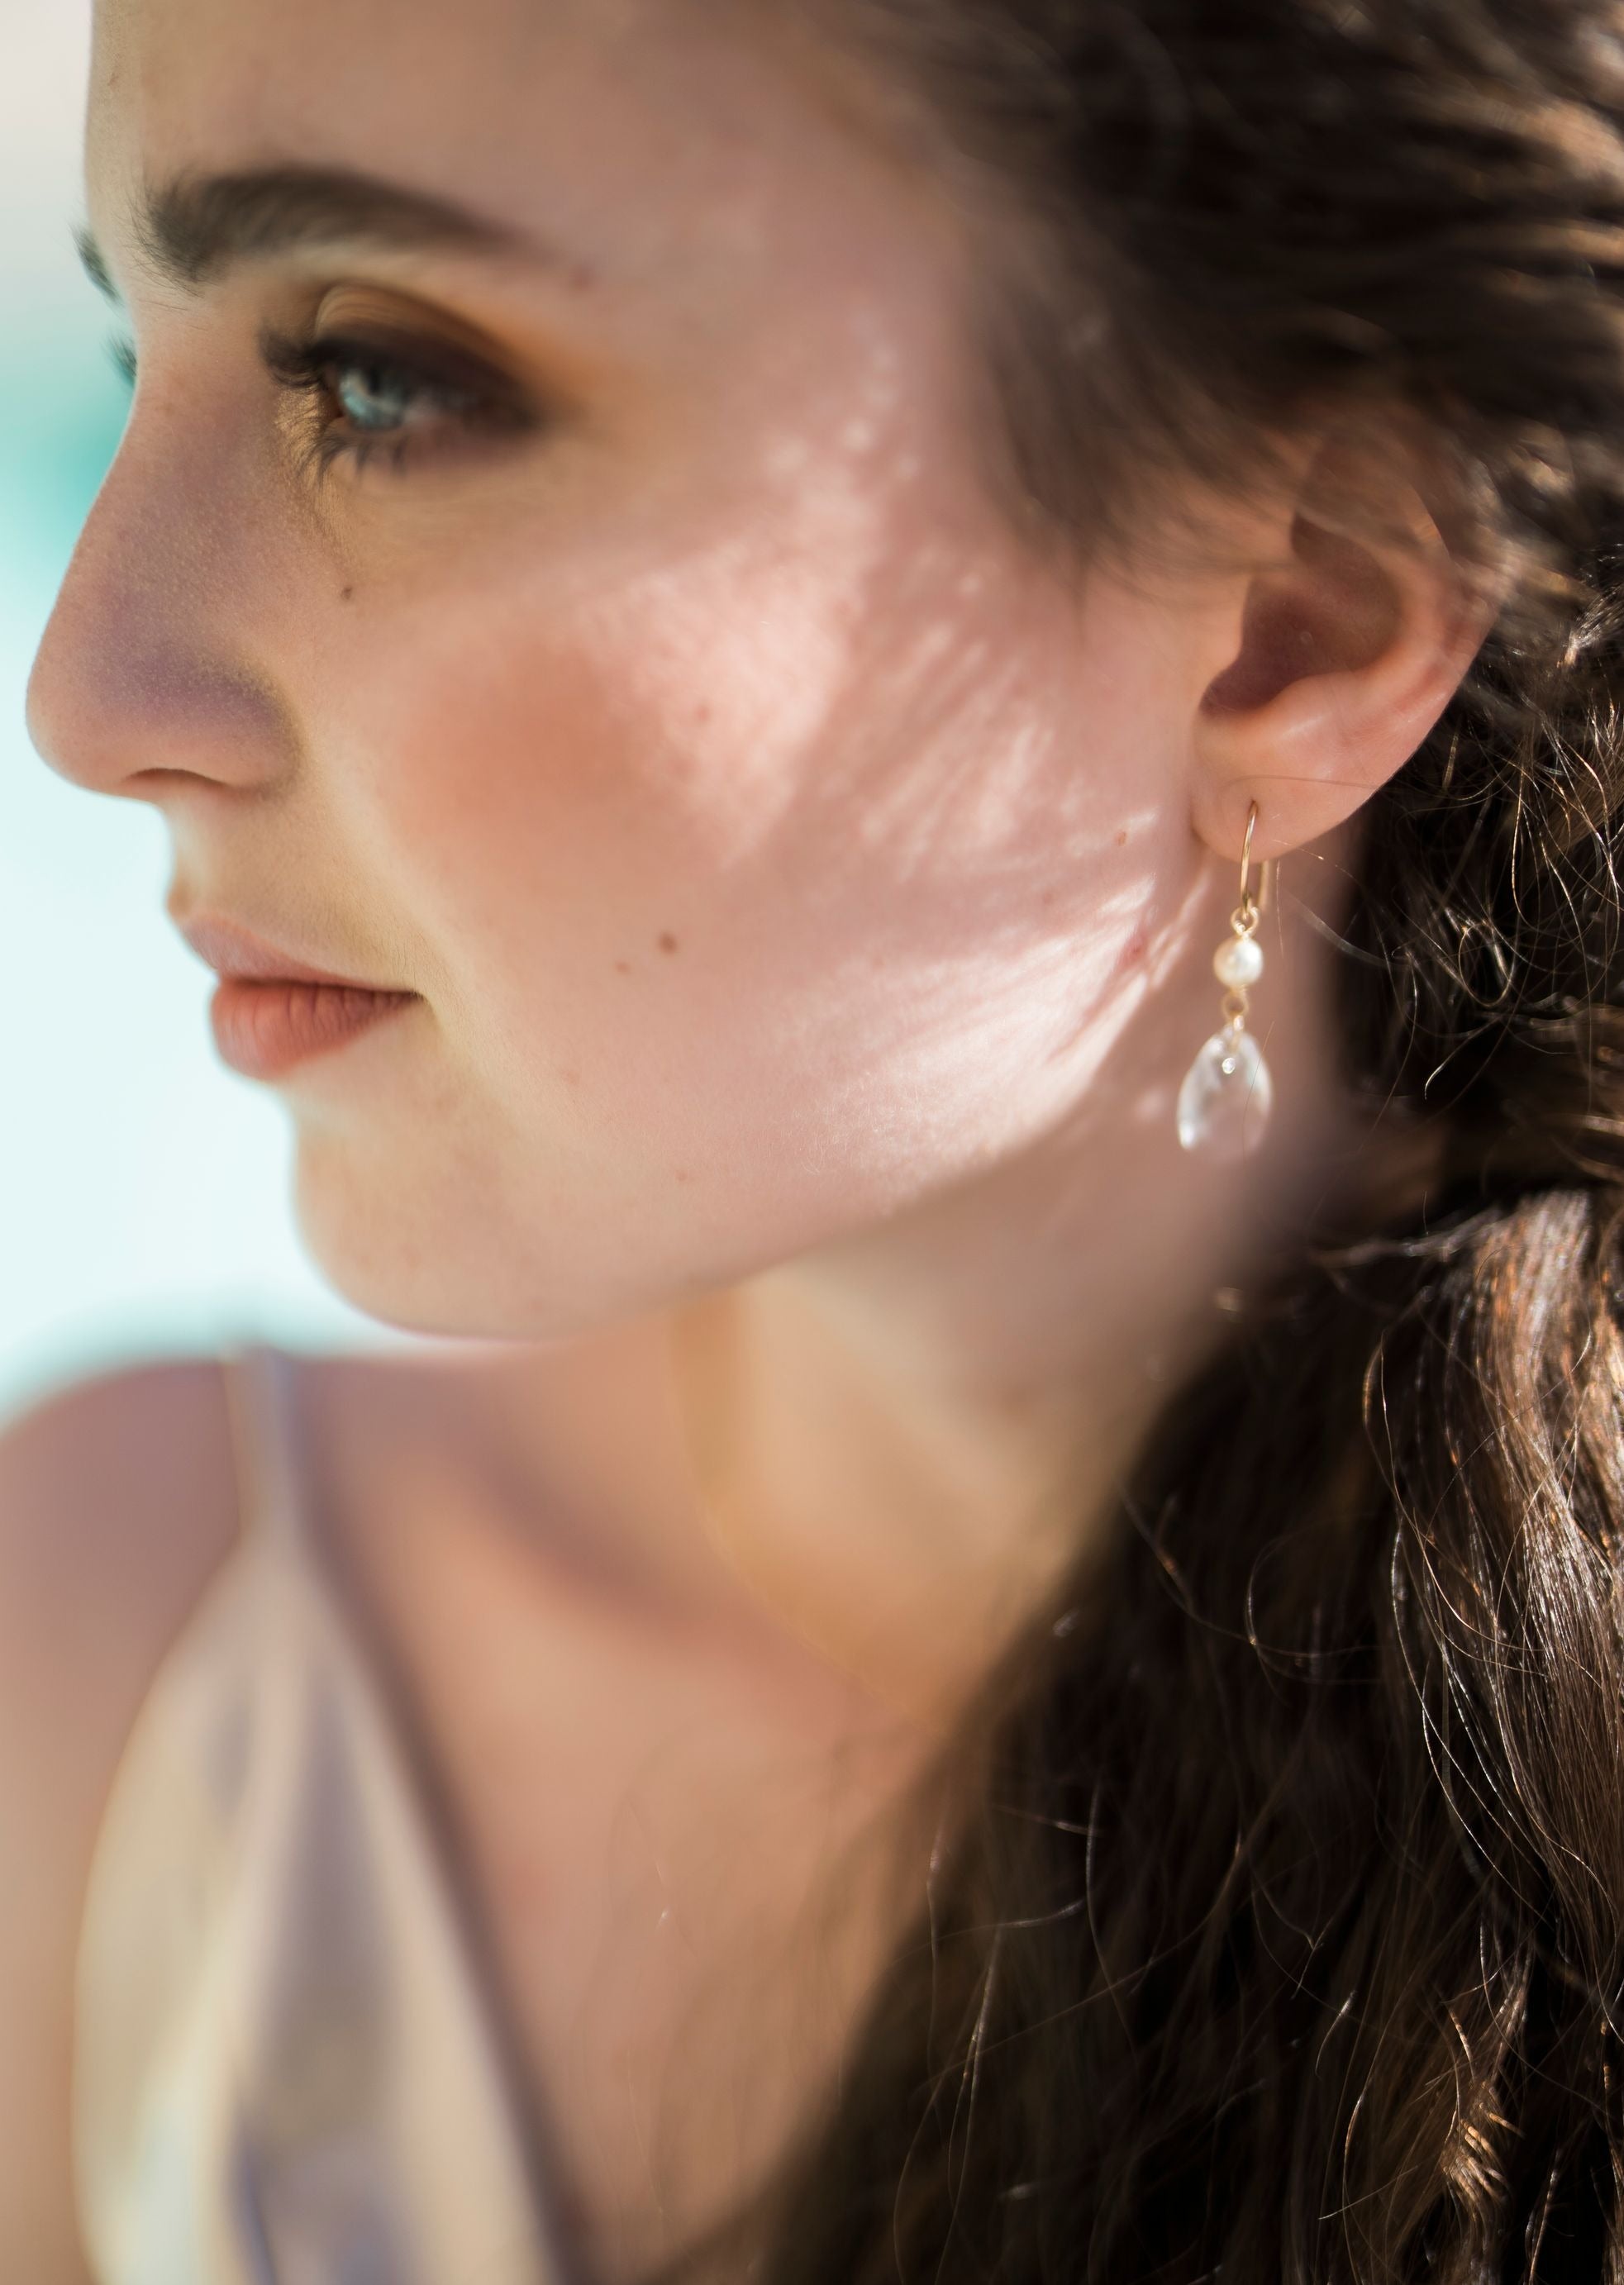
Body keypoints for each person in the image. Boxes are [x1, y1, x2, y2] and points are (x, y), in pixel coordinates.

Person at [6, 0, 1620, 2276]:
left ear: (1287, 624)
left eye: (380, 379)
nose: (86, 696)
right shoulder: (122, 1658)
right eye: (128, 364)